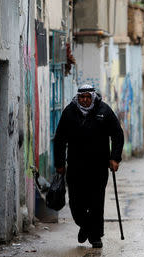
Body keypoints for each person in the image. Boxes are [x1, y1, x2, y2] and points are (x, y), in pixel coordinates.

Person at [54, 84, 124, 248]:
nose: (84, 100)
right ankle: (85, 225)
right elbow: (59, 139)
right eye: (81, 97)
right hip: (76, 166)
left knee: (96, 201)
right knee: (76, 202)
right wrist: (59, 163)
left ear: (92, 97)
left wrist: (115, 158)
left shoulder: (104, 111)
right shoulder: (69, 112)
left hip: (98, 166)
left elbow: (117, 134)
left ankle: (96, 236)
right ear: (77, 98)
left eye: (87, 97)